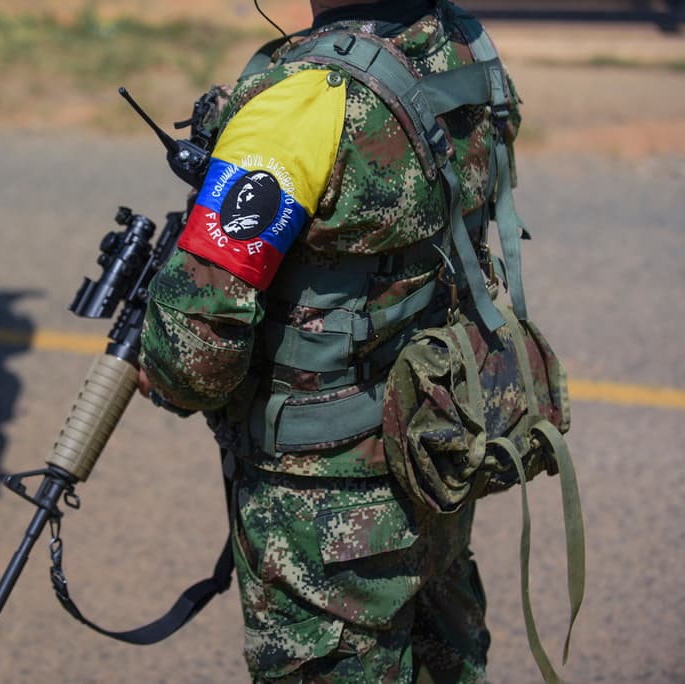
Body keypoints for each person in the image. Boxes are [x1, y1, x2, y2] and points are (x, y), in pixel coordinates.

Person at [137, 0, 522, 681]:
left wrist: (159, 374)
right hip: (434, 444)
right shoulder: (461, 48)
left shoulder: (301, 103)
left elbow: (195, 349)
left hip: (326, 504)